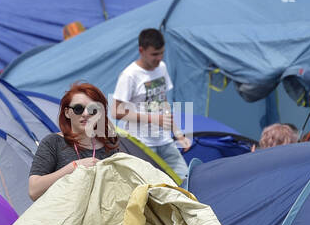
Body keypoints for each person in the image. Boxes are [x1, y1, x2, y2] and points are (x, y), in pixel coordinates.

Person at [112, 28, 192, 184]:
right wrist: (153, 118)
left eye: (161, 53)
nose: (159, 58)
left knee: (186, 179)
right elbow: (116, 111)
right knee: (149, 186)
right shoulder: (130, 75)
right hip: (141, 143)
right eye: (154, 54)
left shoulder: (161, 67)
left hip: (164, 139)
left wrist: (178, 134)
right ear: (141, 50)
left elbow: (163, 101)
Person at [28, 83, 121, 201]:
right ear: (67, 113)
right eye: (78, 109)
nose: (86, 114)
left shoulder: (110, 146)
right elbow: (33, 190)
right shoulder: (53, 142)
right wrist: (74, 166)